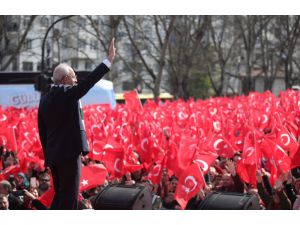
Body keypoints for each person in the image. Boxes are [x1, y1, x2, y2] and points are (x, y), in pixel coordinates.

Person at [37, 38, 116, 210]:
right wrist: (107, 61)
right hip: (68, 154)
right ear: (65, 79)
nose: (76, 80)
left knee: (60, 196)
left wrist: (48, 156)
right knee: (69, 198)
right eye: (73, 76)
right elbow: (89, 82)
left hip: (54, 155)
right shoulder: (66, 94)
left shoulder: (44, 99)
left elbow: (42, 130)